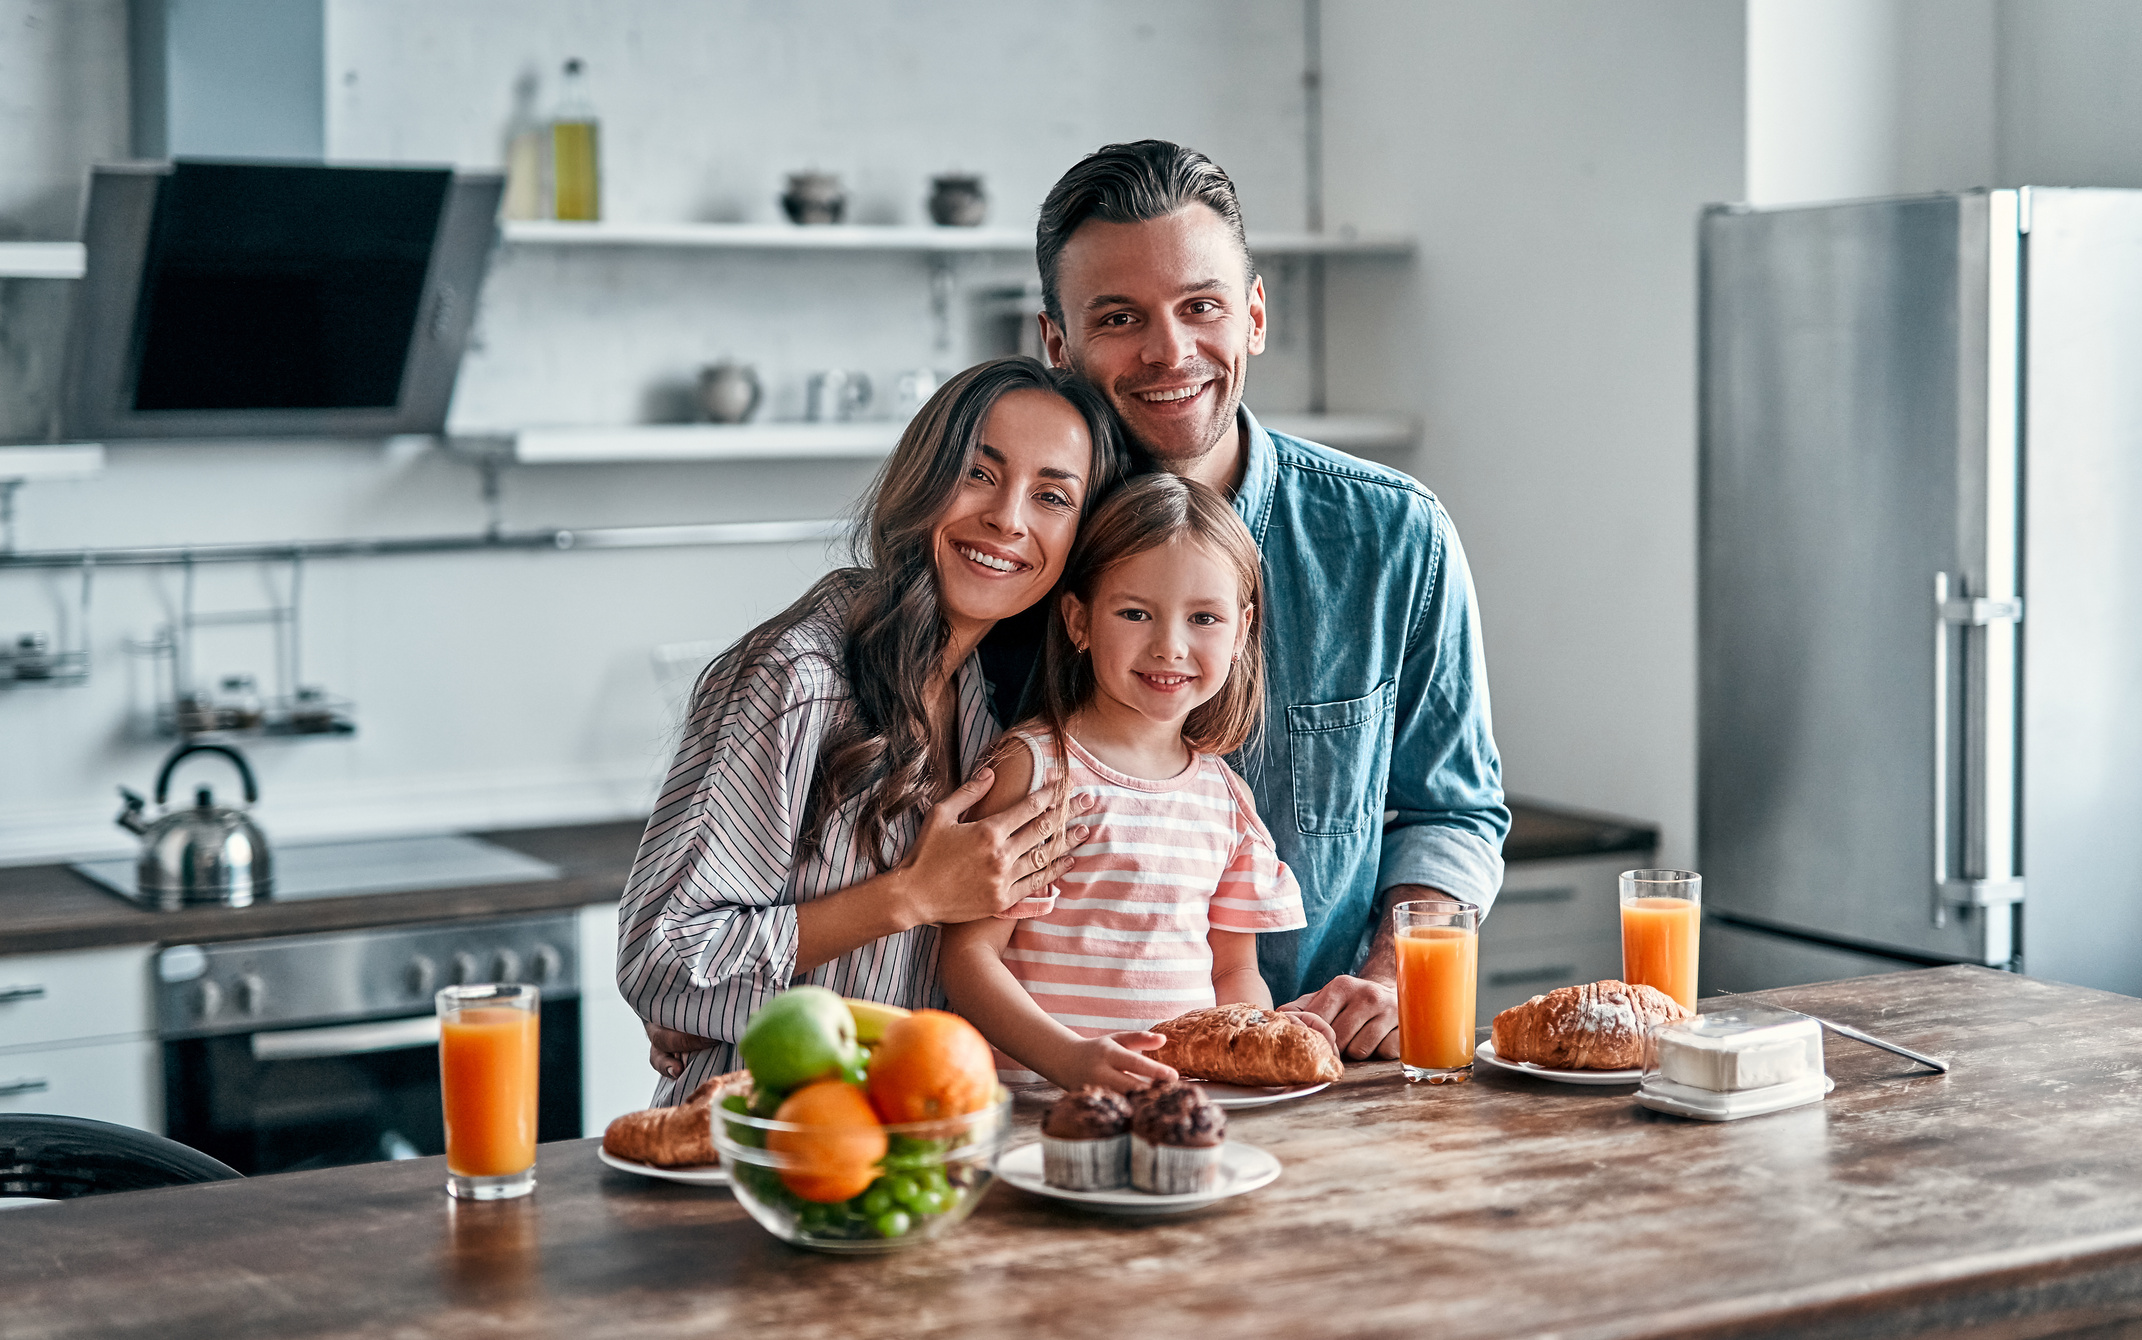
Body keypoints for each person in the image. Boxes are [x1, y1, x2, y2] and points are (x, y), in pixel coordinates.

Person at [1008, 139, 1510, 1061]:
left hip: (1329, 1082)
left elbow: (1453, 811)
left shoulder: (1397, 536)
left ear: (1254, 315)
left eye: (1201, 306)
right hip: (1055, 1100)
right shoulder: (1012, 554)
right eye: (1118, 317)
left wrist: (1403, 968)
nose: (1170, 351)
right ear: (1055, 345)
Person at [617, 356, 1129, 1102]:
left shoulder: (987, 700)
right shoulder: (795, 680)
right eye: (980, 474)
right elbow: (662, 962)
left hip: (910, 1148)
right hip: (765, 1149)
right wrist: (910, 896)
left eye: (1052, 496)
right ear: (924, 477)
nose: (1009, 518)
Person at [941, 474, 1331, 1093]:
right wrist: (1071, 1060)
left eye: (1204, 617)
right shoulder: (1038, 770)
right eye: (1134, 613)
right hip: (1042, 1105)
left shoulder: (1226, 801)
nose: (1169, 646)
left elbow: (1234, 971)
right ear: (1079, 621)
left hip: (1181, 1104)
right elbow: (967, 960)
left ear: (1241, 630)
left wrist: (1262, 1027)